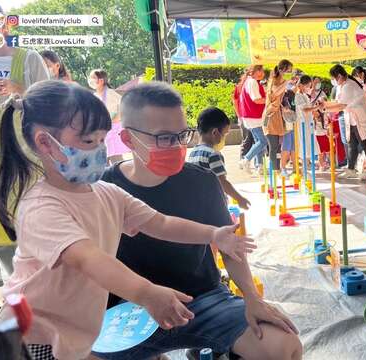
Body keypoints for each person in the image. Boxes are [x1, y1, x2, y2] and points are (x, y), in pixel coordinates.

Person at [0, 81, 255, 360]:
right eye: (87, 141)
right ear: (45, 142)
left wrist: (213, 235)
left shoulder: (107, 193)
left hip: (75, 331)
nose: (98, 150)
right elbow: (88, 258)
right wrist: (146, 293)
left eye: (100, 140)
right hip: (32, 337)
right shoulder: (41, 207)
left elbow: (161, 223)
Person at [98, 82, 302, 360]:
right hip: (131, 309)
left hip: (203, 299)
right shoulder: (104, 189)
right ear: (128, 140)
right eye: (164, 138)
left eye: (182, 135)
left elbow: (230, 243)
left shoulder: (201, 180)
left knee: (283, 347)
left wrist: (252, 298)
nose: (177, 146)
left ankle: (205, 346)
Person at [0, 0, 49, 286]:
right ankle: (17, 299)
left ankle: (45, 297)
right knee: (0, 240)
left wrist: (20, 94)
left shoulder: (29, 58)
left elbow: (49, 106)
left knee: (35, 233)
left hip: (27, 161)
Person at [190, 107, 251, 210]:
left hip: (199, 203)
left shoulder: (193, 153)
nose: (224, 138)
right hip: (213, 204)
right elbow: (222, 182)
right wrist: (239, 198)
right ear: (215, 132)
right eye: (225, 134)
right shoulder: (213, 155)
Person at [320, 64, 366, 179]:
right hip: (352, 118)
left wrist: (325, 108)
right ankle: (351, 169)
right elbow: (336, 101)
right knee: (351, 144)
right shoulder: (343, 85)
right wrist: (324, 104)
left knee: (365, 145)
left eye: (334, 78)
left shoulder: (349, 85)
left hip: (361, 118)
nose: (333, 81)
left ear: (339, 76)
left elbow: (340, 106)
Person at [89, 68, 128, 164]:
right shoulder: (95, 96)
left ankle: (120, 177)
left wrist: (117, 118)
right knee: (104, 159)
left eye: (93, 77)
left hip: (113, 129)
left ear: (101, 80)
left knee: (116, 158)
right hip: (101, 131)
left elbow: (124, 106)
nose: (90, 80)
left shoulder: (111, 94)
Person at [239, 65, 267, 174]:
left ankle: (259, 166)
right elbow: (257, 99)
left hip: (251, 116)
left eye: (262, 70)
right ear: (252, 72)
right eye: (258, 70)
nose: (261, 73)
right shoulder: (252, 82)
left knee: (258, 142)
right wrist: (269, 99)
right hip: (253, 116)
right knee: (262, 141)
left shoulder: (249, 81)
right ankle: (246, 159)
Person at [294, 75, 320, 177]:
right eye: (307, 86)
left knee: (309, 144)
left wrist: (314, 108)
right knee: (304, 144)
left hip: (308, 122)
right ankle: (304, 168)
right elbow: (305, 110)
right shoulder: (298, 96)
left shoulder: (304, 95)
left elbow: (308, 108)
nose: (308, 88)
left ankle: (307, 165)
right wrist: (316, 107)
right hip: (302, 124)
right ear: (301, 85)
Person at [234, 68, 254, 163]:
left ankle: (249, 160)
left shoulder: (241, 86)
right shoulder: (240, 87)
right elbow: (235, 101)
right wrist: (239, 116)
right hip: (245, 116)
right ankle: (243, 159)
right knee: (248, 138)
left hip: (248, 116)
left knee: (251, 138)